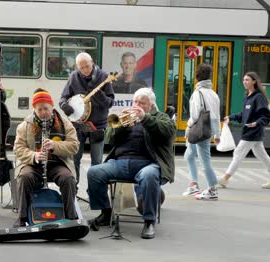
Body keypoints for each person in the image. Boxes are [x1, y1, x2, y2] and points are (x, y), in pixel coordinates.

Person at [87, 87, 175, 239]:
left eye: (142, 103)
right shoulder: (124, 117)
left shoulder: (161, 117)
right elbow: (108, 138)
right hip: (120, 162)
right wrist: (121, 126)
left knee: (149, 175)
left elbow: (168, 132)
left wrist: (145, 119)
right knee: (94, 172)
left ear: (151, 105)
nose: (137, 105)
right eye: (135, 101)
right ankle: (106, 213)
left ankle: (149, 221)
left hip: (148, 163)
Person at [13, 88, 79, 227]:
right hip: (33, 164)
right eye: (40, 109)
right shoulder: (25, 125)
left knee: (68, 179)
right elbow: (18, 149)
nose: (43, 112)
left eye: (46, 109)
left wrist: (55, 145)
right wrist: (34, 156)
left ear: (52, 107)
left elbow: (74, 146)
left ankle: (71, 217)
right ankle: (22, 217)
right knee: (24, 177)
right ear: (34, 110)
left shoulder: (65, 123)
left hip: (57, 163)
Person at [59, 52, 115, 183]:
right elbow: (63, 98)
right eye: (81, 67)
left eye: (87, 66)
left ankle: (94, 191)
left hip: (97, 126)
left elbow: (110, 103)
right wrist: (64, 106)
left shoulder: (104, 77)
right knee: (74, 159)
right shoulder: (74, 77)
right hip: (78, 125)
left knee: (97, 161)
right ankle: (73, 189)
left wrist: (101, 97)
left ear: (92, 63)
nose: (84, 70)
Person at [218, 72, 270, 189]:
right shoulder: (247, 96)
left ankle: (225, 178)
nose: (244, 82)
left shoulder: (258, 97)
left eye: (247, 80)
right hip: (249, 131)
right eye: (243, 80)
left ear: (254, 82)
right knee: (262, 155)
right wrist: (231, 117)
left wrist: (257, 123)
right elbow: (244, 114)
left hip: (253, 132)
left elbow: (266, 116)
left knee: (238, 153)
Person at [183, 64, 221, 200]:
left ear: (196, 77)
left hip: (199, 130)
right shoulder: (214, 94)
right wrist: (217, 134)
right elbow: (217, 116)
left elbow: (194, 116)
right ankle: (194, 185)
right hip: (208, 130)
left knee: (205, 161)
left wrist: (188, 128)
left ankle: (212, 189)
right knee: (189, 155)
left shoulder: (197, 93)